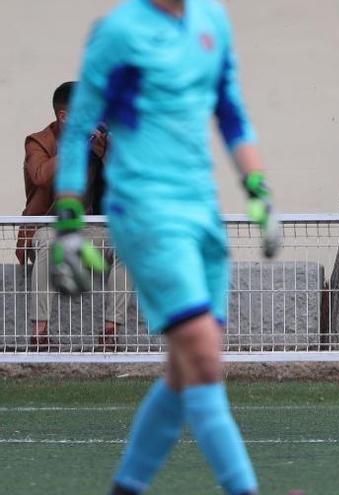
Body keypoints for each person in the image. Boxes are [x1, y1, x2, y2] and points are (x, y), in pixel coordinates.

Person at [52, 1, 280, 494]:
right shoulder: (118, 31)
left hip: (203, 216)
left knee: (183, 372)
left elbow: (231, 111)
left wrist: (258, 189)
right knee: (203, 359)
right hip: (145, 214)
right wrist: (69, 225)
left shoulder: (211, 21)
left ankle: (125, 488)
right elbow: (77, 132)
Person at [18, 81, 128, 351]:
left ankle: (109, 333)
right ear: (64, 116)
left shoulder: (96, 142)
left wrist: (105, 156)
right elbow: (40, 177)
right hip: (48, 226)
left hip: (86, 229)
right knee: (45, 243)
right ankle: (40, 334)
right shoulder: (38, 142)